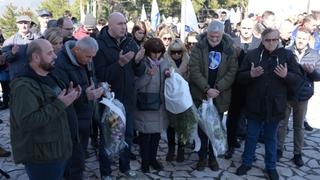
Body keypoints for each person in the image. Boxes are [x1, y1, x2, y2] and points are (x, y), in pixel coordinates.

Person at [9, 39, 80, 180]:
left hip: (58, 149)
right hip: (42, 157)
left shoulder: (49, 74)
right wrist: (61, 104)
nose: (55, 56)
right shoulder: (23, 86)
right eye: (49, 53)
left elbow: (56, 102)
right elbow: (27, 121)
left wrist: (70, 96)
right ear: (36, 57)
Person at [236, 28, 301, 180]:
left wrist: (287, 76)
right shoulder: (252, 54)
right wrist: (250, 75)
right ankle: (247, 162)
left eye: (274, 40)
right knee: (251, 136)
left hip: (276, 105)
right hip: (254, 104)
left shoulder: (287, 55)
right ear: (262, 40)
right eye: (268, 40)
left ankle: (271, 166)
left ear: (278, 40)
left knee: (271, 138)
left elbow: (298, 79)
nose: (271, 43)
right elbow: (240, 77)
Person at [93, 12, 146, 179]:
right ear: (109, 25)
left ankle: (125, 167)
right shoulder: (99, 44)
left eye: (125, 23)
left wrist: (137, 62)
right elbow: (100, 74)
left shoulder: (130, 42)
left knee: (127, 135)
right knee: (108, 136)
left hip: (128, 98)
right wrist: (120, 64)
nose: (123, 27)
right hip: (110, 101)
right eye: (119, 24)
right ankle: (106, 172)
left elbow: (140, 71)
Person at [189, 20, 238, 171]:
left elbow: (232, 71)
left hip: (220, 95)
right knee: (203, 128)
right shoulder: (199, 46)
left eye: (217, 36)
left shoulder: (229, 48)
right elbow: (194, 69)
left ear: (222, 34)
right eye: (212, 36)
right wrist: (206, 88)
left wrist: (217, 88)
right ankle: (202, 157)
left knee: (216, 128)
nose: (215, 39)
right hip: (201, 94)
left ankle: (213, 158)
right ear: (207, 33)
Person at [53, 36, 104, 180]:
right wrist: (85, 95)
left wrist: (97, 85)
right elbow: (61, 93)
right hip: (70, 118)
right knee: (72, 157)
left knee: (80, 153)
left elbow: (90, 78)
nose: (90, 60)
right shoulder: (60, 63)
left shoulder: (87, 58)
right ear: (76, 50)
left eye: (93, 57)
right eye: (88, 56)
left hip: (85, 115)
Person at [277, 27, 320, 166]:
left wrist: (312, 72)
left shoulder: (315, 54)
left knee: (299, 126)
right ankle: (279, 150)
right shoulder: (286, 51)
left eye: (304, 38)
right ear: (295, 37)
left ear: (309, 40)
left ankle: (297, 153)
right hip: (286, 93)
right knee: (282, 124)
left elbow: (318, 76)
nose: (301, 41)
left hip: (302, 95)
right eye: (299, 37)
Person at [225, 18, 261, 159]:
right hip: (235, 86)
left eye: (249, 28)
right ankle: (231, 144)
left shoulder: (259, 44)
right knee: (233, 118)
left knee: (252, 120)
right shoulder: (231, 41)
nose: (246, 31)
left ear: (253, 29)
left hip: (253, 87)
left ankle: (250, 151)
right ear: (240, 28)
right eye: (244, 28)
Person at [134, 37, 169, 173]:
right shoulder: (141, 63)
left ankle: (153, 159)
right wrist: (148, 75)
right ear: (148, 51)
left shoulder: (164, 62)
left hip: (160, 105)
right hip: (145, 104)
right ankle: (145, 161)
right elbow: (136, 85)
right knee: (144, 135)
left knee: (156, 135)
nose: (156, 55)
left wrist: (169, 75)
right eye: (153, 52)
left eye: (159, 52)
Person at [164, 38, 190, 162]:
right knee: (170, 125)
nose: (176, 54)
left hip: (184, 96)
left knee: (183, 125)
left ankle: (181, 149)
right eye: (173, 52)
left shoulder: (188, 60)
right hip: (170, 97)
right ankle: (171, 149)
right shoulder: (165, 60)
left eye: (179, 52)